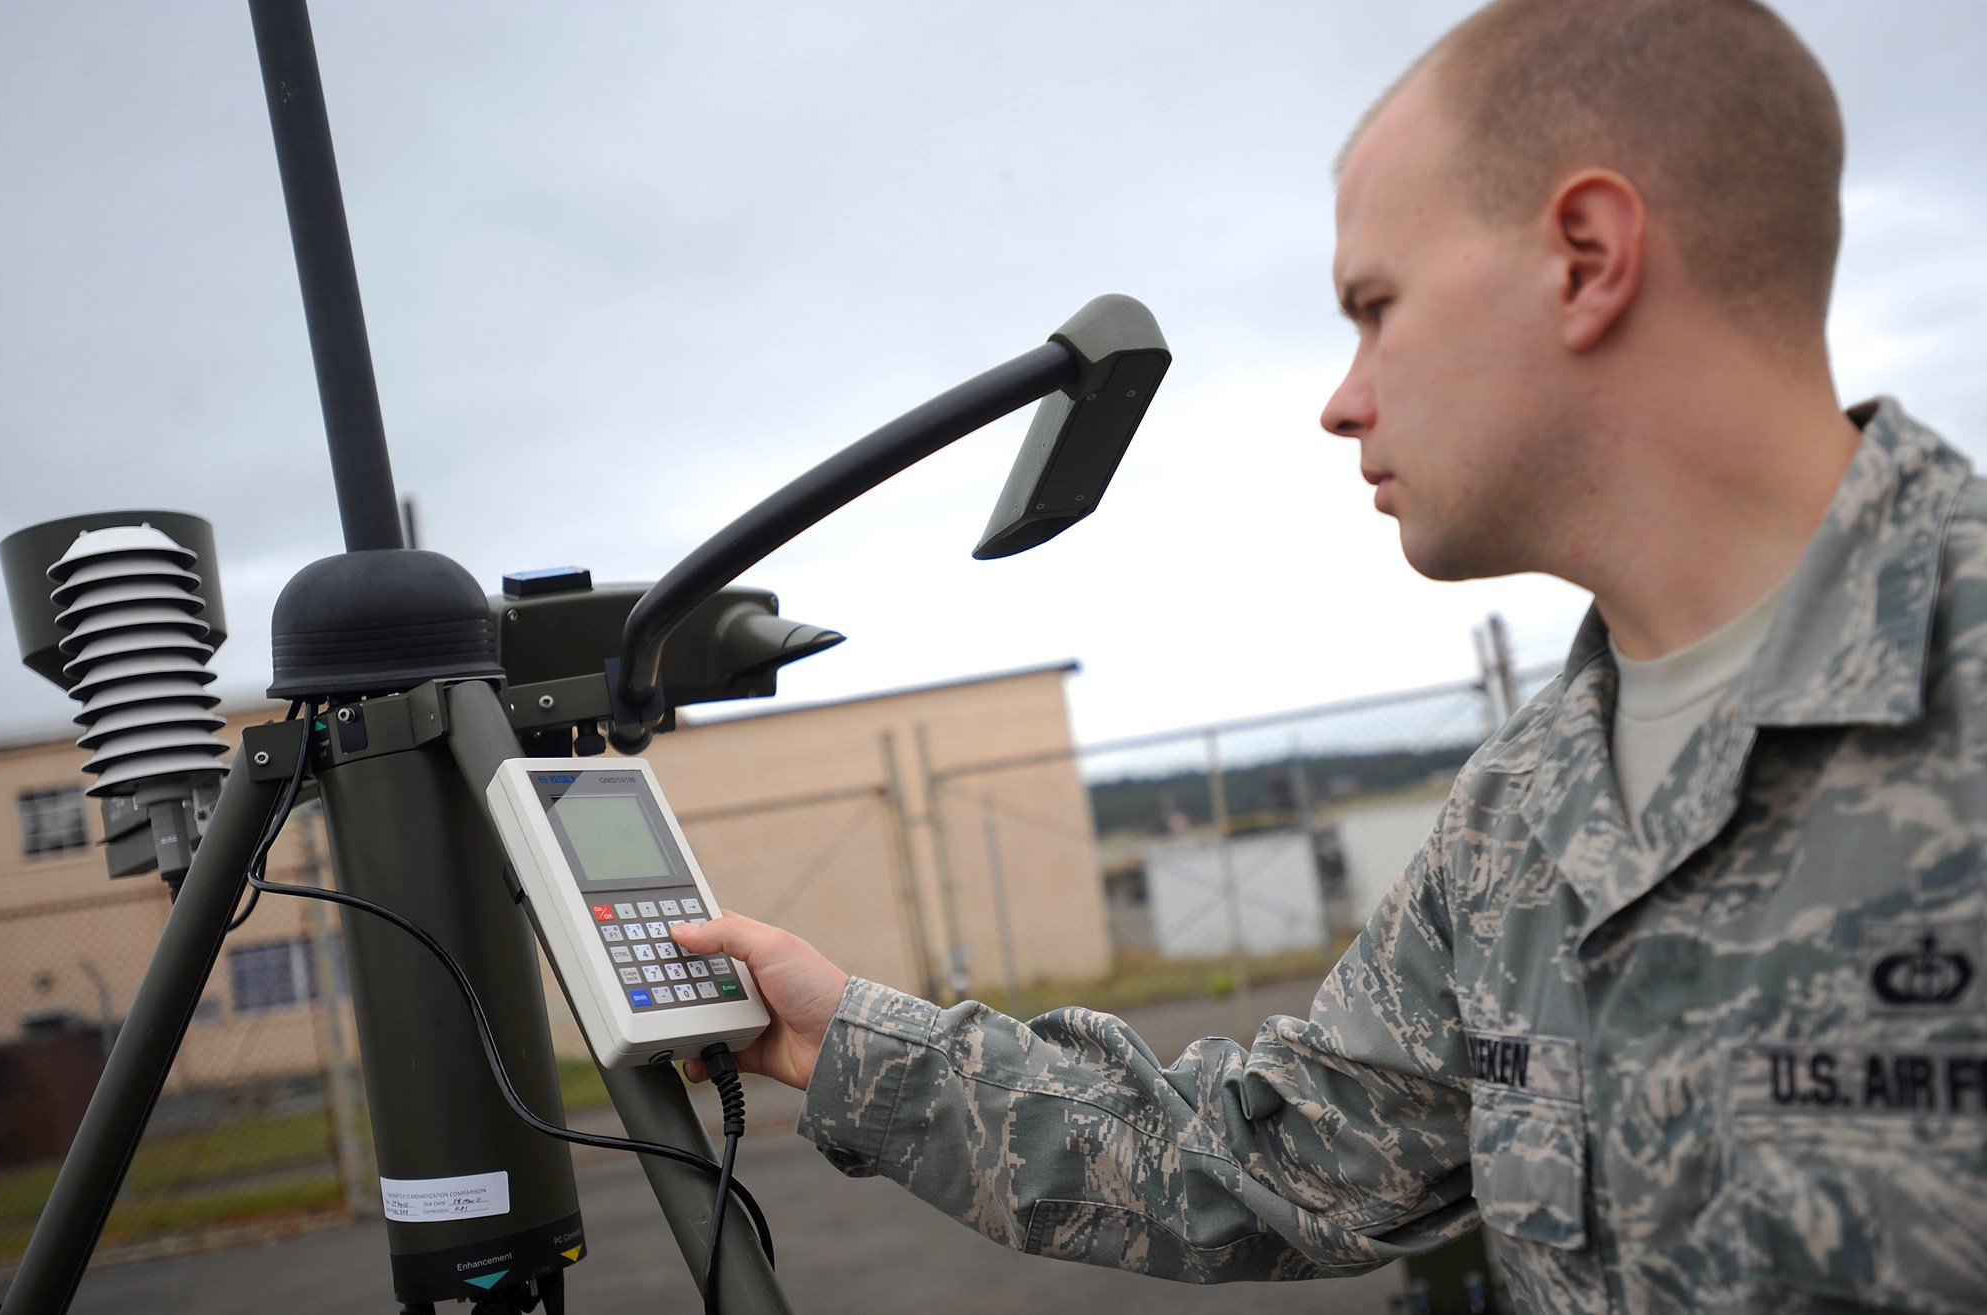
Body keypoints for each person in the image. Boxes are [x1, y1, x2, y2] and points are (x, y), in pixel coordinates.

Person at [672, 0, 1987, 1309]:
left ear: (1586, 258)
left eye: (1376, 305)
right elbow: (1270, 1153)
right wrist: (849, 1037)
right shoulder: (1525, 813)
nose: (1341, 398)